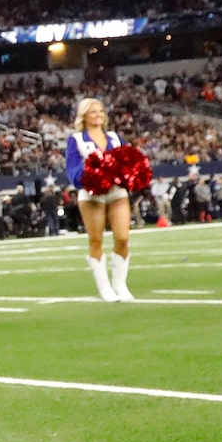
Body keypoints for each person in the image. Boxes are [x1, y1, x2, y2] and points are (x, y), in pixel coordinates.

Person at [63, 98, 137, 302]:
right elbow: (73, 173)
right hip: (92, 195)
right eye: (93, 112)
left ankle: (120, 284)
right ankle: (104, 287)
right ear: (84, 115)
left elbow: (128, 161)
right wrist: (93, 172)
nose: (98, 115)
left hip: (116, 192)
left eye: (101, 111)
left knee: (122, 237)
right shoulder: (76, 140)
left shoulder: (114, 137)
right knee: (96, 240)